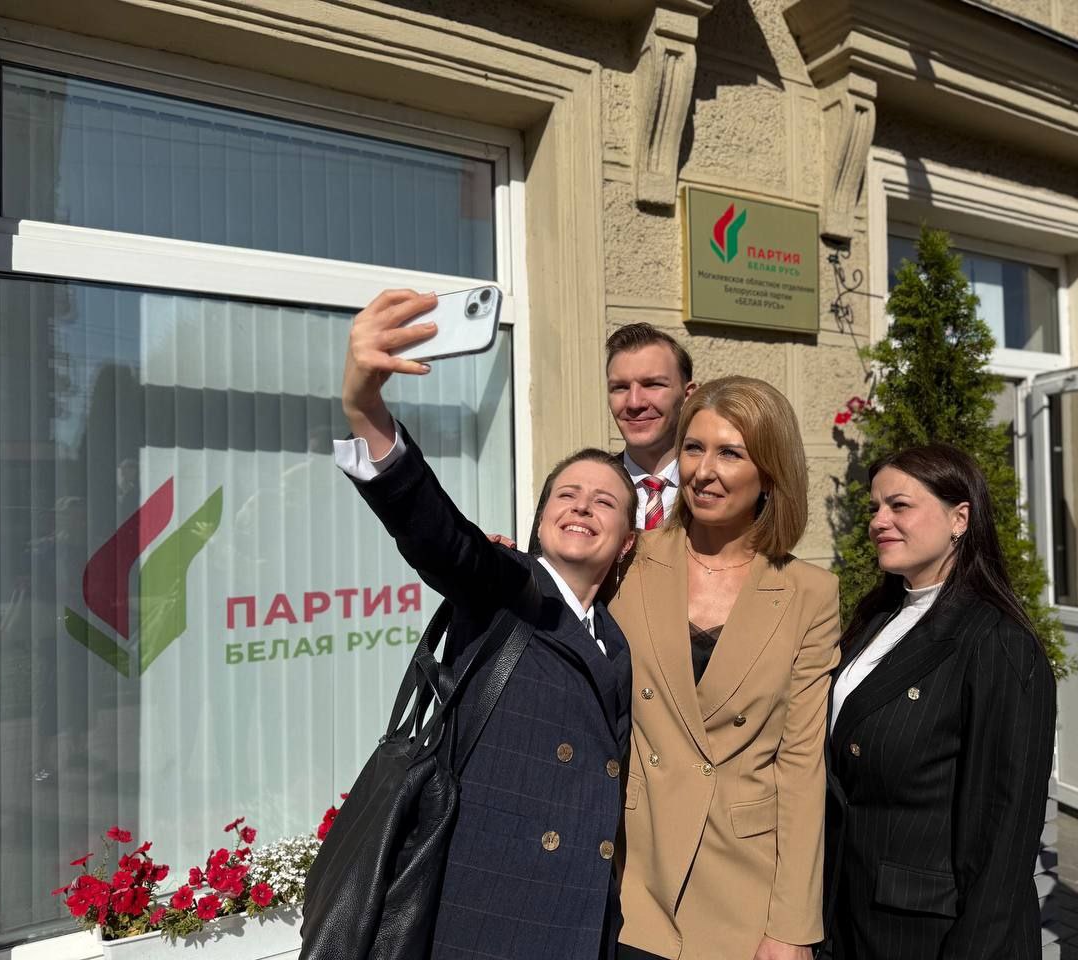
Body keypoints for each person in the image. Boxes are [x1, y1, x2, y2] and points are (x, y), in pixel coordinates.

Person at [335, 289, 637, 960]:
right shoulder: (504, 586)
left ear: (627, 542)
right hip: (487, 914)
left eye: (604, 502)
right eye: (567, 494)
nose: (581, 506)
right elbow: (441, 537)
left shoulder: (615, 641)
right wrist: (366, 410)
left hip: (584, 919)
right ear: (541, 518)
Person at [611, 376, 841, 960]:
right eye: (694, 448)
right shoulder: (628, 560)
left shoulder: (810, 593)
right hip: (629, 875)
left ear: (770, 473)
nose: (704, 471)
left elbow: (801, 766)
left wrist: (792, 926)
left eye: (731, 453)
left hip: (743, 888)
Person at [823, 444, 1057, 960]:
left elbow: (1006, 837)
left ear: (960, 518)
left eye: (899, 505)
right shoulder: (879, 616)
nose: (878, 521)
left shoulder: (998, 643)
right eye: (874, 507)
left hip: (934, 935)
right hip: (854, 916)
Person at [605, 324, 697, 529]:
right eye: (620, 387)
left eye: (653, 385)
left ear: (687, 396)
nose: (634, 403)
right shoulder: (582, 488)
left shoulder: (715, 486)